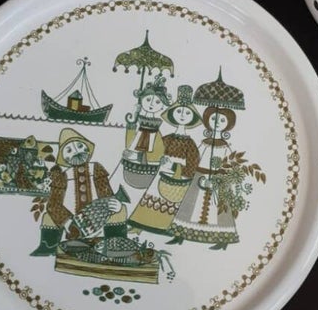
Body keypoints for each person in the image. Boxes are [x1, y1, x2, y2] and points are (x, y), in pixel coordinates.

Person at [30, 127, 120, 256]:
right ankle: (48, 250)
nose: (77, 152)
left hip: (98, 219)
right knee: (48, 217)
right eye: (69, 150)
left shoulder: (96, 169)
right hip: (72, 225)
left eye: (80, 146)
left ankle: (115, 249)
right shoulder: (62, 177)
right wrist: (67, 221)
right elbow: (53, 204)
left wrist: (115, 204)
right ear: (64, 157)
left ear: (87, 149)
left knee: (120, 211)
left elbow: (106, 194)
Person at [127, 85, 202, 235]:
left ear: (192, 118)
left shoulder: (191, 145)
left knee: (170, 206)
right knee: (150, 200)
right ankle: (139, 226)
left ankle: (165, 229)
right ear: (173, 114)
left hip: (177, 181)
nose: (182, 115)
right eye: (179, 111)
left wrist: (174, 167)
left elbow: (192, 168)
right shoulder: (166, 138)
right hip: (160, 176)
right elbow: (153, 152)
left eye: (187, 113)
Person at [170, 106, 240, 247]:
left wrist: (218, 179)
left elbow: (231, 166)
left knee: (220, 209)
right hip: (199, 176)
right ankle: (180, 234)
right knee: (189, 205)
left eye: (222, 120)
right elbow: (194, 159)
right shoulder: (203, 144)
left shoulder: (226, 147)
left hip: (218, 180)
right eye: (214, 119)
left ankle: (223, 240)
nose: (217, 122)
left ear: (228, 124)